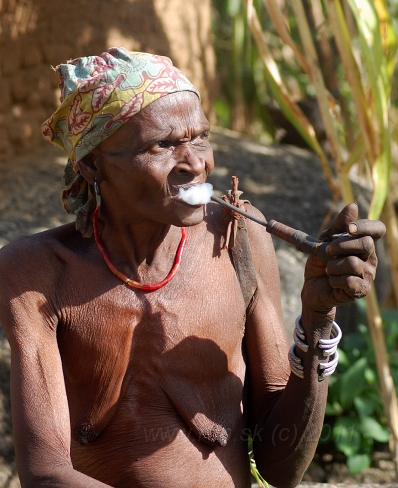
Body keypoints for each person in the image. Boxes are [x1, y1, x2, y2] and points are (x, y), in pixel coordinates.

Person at [0, 48, 385, 488]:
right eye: (163, 144)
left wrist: (317, 323)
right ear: (92, 163)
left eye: (200, 137)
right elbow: (46, 474)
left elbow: (281, 468)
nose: (197, 164)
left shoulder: (237, 240)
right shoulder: (36, 275)